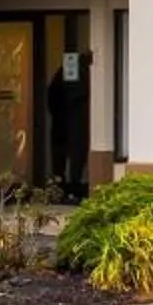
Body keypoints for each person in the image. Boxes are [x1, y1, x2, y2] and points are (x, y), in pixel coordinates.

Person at [43, 52, 89, 200]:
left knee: (61, 155)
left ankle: (61, 186)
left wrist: (57, 113)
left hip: (62, 121)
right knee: (76, 154)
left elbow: (52, 95)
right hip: (75, 122)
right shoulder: (84, 76)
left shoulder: (63, 73)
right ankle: (72, 188)